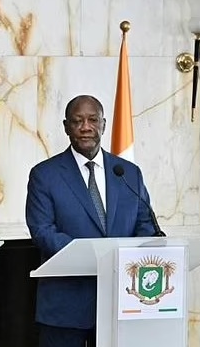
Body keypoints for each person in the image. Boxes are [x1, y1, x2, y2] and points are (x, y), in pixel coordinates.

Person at [25, 95, 156, 347]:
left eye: (93, 120)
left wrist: (123, 258)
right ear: (66, 127)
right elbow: (42, 231)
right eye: (77, 121)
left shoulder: (128, 172)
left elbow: (146, 225)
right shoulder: (45, 175)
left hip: (123, 301)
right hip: (65, 307)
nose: (86, 127)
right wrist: (96, 256)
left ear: (104, 124)